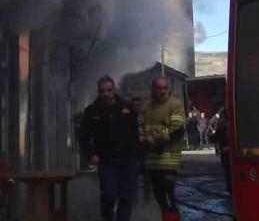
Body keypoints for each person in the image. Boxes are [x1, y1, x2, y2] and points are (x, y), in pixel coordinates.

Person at [79, 75, 140, 221]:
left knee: (126, 196)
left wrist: (136, 155)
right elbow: (83, 136)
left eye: (109, 90)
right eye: (102, 91)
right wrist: (91, 154)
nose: (106, 94)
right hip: (106, 160)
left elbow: (135, 132)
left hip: (127, 160)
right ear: (98, 92)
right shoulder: (92, 111)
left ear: (114, 90)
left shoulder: (127, 108)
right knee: (108, 194)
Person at [141, 77, 185, 221]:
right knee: (159, 194)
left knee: (170, 193)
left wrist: (155, 138)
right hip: (152, 158)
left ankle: (172, 218)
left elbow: (176, 129)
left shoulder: (175, 105)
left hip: (169, 158)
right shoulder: (147, 107)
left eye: (164, 88)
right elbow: (140, 125)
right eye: (158, 88)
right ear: (153, 89)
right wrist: (142, 137)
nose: (161, 91)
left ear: (168, 88)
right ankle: (165, 217)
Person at [213, 108, 232, 195]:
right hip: (231, 151)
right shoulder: (232, 124)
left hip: (224, 151)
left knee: (227, 170)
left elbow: (215, 138)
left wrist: (217, 149)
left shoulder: (220, 125)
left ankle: (229, 187)